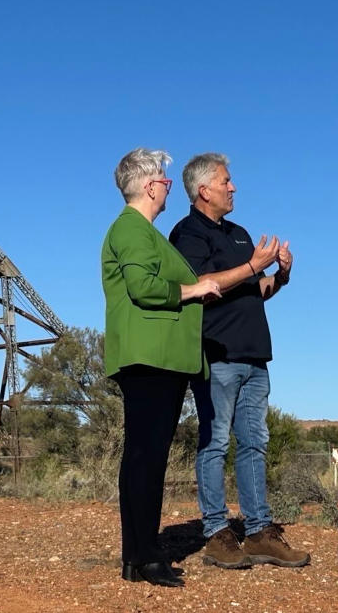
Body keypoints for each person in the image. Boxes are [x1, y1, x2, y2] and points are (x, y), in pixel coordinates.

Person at [168, 153, 310, 570]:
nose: (233, 188)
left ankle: (260, 532)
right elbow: (197, 287)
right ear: (203, 189)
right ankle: (215, 533)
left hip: (254, 356)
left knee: (254, 443)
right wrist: (251, 265)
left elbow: (255, 290)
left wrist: (278, 275)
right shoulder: (188, 234)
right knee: (214, 444)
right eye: (226, 181)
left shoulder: (241, 234)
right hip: (216, 355)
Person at [101, 147, 221, 588]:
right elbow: (144, 287)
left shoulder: (141, 231)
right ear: (151, 185)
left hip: (155, 358)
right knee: (147, 459)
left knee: (141, 457)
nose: (170, 186)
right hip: (151, 358)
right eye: (166, 181)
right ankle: (148, 557)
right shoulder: (133, 229)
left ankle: (136, 555)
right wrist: (193, 289)